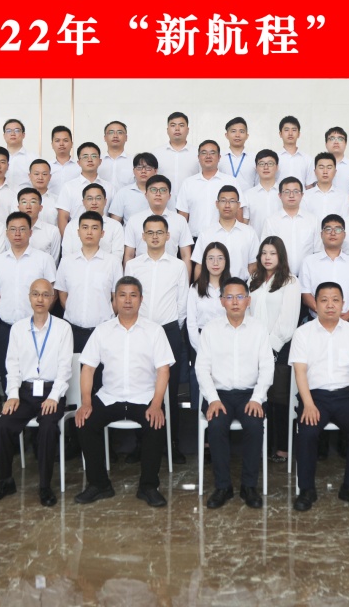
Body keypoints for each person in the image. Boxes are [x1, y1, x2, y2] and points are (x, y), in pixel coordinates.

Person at [74, 277, 175, 507]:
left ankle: (148, 486)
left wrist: (156, 404)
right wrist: (86, 402)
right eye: (122, 295)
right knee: (85, 422)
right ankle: (99, 484)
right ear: (114, 300)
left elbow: (164, 370)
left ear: (141, 299)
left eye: (133, 295)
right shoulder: (102, 331)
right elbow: (88, 368)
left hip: (144, 396)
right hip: (110, 396)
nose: (127, 300)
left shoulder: (155, 331)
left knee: (156, 423)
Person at [0, 278, 75, 507]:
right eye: (35, 294)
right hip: (24, 393)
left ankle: (44, 485)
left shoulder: (63, 328)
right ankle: (5, 481)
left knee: (47, 427)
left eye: (45, 294)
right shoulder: (18, 328)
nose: (40, 299)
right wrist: (12, 394)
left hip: (51, 392)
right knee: (3, 424)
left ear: (52, 299)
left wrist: (54, 397)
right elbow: (12, 365)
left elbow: (65, 368)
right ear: (29, 297)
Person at [290, 282, 349, 511]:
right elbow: (299, 372)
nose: (330, 305)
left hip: (346, 396)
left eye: (335, 300)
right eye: (324, 300)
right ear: (315, 304)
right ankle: (306, 490)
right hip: (314, 396)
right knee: (307, 432)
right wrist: (308, 404)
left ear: (343, 304)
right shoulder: (303, 333)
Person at [197, 277, 275, 509]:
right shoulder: (210, 330)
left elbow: (267, 368)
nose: (234, 302)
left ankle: (249, 487)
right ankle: (223, 487)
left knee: (254, 425)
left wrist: (257, 398)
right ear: (221, 301)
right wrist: (212, 399)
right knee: (216, 426)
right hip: (218, 394)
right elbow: (201, 368)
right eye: (229, 297)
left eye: (240, 296)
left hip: (249, 394)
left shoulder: (259, 329)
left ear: (248, 300)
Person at [124, 215, 190, 463]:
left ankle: (171, 443)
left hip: (169, 330)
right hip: (140, 330)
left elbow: (182, 303)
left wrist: (172, 327)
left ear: (167, 236)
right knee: (142, 386)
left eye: (159, 232)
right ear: (142, 237)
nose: (154, 236)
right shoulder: (133, 266)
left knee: (170, 389)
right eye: (150, 232)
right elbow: (129, 300)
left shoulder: (178, 266)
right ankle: (141, 443)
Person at [0, 212, 58, 396]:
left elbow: (51, 293)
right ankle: (10, 407)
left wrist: (39, 318)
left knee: (36, 370)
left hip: (37, 327)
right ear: (6, 233)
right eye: (13, 229)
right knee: (8, 371)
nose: (17, 234)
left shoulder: (44, 259)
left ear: (30, 232)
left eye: (22, 229)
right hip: (7, 327)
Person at [249, 237, 302, 465]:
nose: (267, 257)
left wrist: (270, 347)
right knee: (260, 397)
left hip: (280, 347)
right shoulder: (253, 280)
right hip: (254, 348)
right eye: (264, 253)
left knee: (280, 399)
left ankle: (282, 448)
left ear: (280, 256)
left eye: (272, 253)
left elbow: (288, 322)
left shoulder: (290, 282)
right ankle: (263, 445)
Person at [55, 211, 123, 353]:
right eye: (85, 227)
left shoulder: (113, 263)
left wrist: (108, 316)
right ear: (78, 232)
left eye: (94, 228)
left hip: (103, 330)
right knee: (73, 366)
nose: (89, 232)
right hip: (72, 329)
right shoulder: (66, 262)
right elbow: (62, 294)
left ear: (102, 233)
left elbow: (117, 296)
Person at [187, 243, 232, 418]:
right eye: (211, 258)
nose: (215, 263)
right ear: (204, 261)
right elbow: (191, 323)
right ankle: (200, 423)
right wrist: (202, 349)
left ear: (226, 262)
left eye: (220, 258)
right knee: (200, 378)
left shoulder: (232, 288)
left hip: (227, 343)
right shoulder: (195, 288)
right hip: (200, 342)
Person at [123, 174, 194, 274]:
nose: (158, 194)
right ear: (146, 195)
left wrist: (185, 281)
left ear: (169, 196)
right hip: (141, 273)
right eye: (153, 190)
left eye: (163, 190)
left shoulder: (180, 220)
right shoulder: (134, 220)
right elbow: (129, 255)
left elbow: (186, 256)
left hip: (171, 274)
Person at [299, 214, 349, 323]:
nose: (333, 233)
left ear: (344, 235)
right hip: (317, 321)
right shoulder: (308, 262)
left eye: (338, 229)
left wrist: (347, 317)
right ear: (321, 234)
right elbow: (305, 294)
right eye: (328, 229)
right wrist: (324, 313)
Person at [191, 186, 259, 280]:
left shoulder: (249, 232)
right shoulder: (206, 233)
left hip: (241, 286)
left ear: (238, 205)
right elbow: (199, 266)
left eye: (232, 201)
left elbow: (253, 265)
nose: (227, 205)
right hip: (213, 286)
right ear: (217, 204)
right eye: (223, 201)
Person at [176, 139, 239, 241]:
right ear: (198, 157)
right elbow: (182, 216)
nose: (208, 156)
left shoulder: (231, 181)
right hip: (194, 240)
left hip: (224, 238)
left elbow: (238, 211)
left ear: (219, 157)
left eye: (212, 153)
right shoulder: (188, 183)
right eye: (204, 153)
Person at [260, 176, 320, 274]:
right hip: (279, 276)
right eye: (287, 192)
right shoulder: (271, 221)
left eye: (296, 191)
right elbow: (265, 251)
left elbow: (318, 251)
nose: (291, 195)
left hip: (307, 275)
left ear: (302, 195)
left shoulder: (313, 220)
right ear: (280, 195)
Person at [56, 142, 115, 236]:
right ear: (78, 162)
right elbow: (62, 218)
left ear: (100, 161)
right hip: (75, 237)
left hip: (104, 237)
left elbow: (113, 217)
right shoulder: (68, 187)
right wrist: (66, 240)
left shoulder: (109, 187)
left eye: (94, 156)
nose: (90, 160)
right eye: (85, 156)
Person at [60, 184, 124, 260]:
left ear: (105, 201)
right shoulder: (72, 225)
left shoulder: (115, 226)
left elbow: (117, 258)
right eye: (90, 199)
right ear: (83, 202)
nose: (94, 202)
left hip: (106, 267)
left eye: (98, 198)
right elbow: (66, 257)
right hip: (76, 267)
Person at [153, 111, 200, 196]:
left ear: (188, 130)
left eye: (181, 125)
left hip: (190, 201)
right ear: (167, 130)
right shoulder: (156, 153)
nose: (177, 129)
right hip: (163, 202)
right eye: (173, 125)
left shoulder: (198, 153)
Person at [109, 152, 160, 223]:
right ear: (133, 171)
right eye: (139, 168)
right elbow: (114, 223)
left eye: (148, 168)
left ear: (155, 171)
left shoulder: (162, 192)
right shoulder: (123, 193)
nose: (143, 171)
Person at [17, 187, 61, 266]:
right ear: (18, 207)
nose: (28, 206)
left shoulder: (52, 231)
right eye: (24, 202)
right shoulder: (12, 231)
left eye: (33, 202)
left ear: (40, 208)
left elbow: (53, 262)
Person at [242, 149, 281, 236]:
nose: (266, 167)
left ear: (277, 167)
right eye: (261, 164)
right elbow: (244, 225)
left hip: (281, 242)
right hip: (257, 243)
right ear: (256, 168)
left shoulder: (284, 194)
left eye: (270, 163)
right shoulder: (248, 195)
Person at [303, 153, 348, 220]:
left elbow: (345, 221)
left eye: (329, 168)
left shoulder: (344, 197)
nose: (325, 172)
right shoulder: (305, 196)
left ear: (335, 171)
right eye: (321, 167)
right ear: (315, 171)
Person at [2, 118, 38, 191]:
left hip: (26, 197)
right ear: (4, 135)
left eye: (17, 130)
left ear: (23, 135)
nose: (12, 134)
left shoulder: (33, 158)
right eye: (8, 131)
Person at [324, 127, 349, 191]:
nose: (336, 142)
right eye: (332, 139)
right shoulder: (316, 166)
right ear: (326, 144)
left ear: (345, 144)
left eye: (340, 139)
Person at [276, 115, 313, 185]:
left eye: (294, 130)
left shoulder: (308, 159)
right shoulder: (274, 158)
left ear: (298, 134)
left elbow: (309, 186)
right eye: (286, 130)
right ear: (280, 134)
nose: (290, 133)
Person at [222, 117, 257, 190]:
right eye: (233, 131)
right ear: (226, 135)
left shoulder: (255, 158)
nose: (237, 135)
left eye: (241, 131)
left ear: (247, 136)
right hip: (225, 197)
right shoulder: (219, 158)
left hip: (248, 197)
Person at [100, 120, 135, 187]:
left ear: (126, 138)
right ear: (105, 138)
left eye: (120, 132)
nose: (115, 136)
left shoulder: (134, 161)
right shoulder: (97, 162)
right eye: (111, 132)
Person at [27, 159, 59, 227]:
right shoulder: (19, 200)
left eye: (44, 174)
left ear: (50, 177)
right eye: (36, 174)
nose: (40, 177)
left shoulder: (58, 201)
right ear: (29, 176)